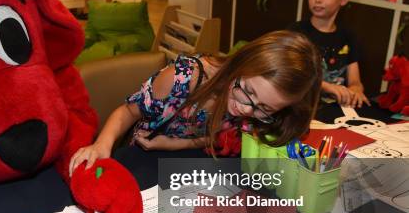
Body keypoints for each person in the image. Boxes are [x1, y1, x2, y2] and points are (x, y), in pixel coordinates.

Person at [69, 30, 322, 173]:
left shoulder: (251, 106)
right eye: (248, 91)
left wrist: (172, 145)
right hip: (143, 160)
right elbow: (127, 112)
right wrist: (102, 144)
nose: (245, 109)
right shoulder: (184, 77)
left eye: (264, 109)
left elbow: (218, 134)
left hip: (188, 161)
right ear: (242, 62)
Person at [288, 0, 369, 108]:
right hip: (303, 108)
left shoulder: (348, 36)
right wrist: (326, 86)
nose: (317, 0)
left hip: (336, 109)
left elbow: (355, 81)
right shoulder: (296, 33)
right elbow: (291, 75)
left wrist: (356, 90)